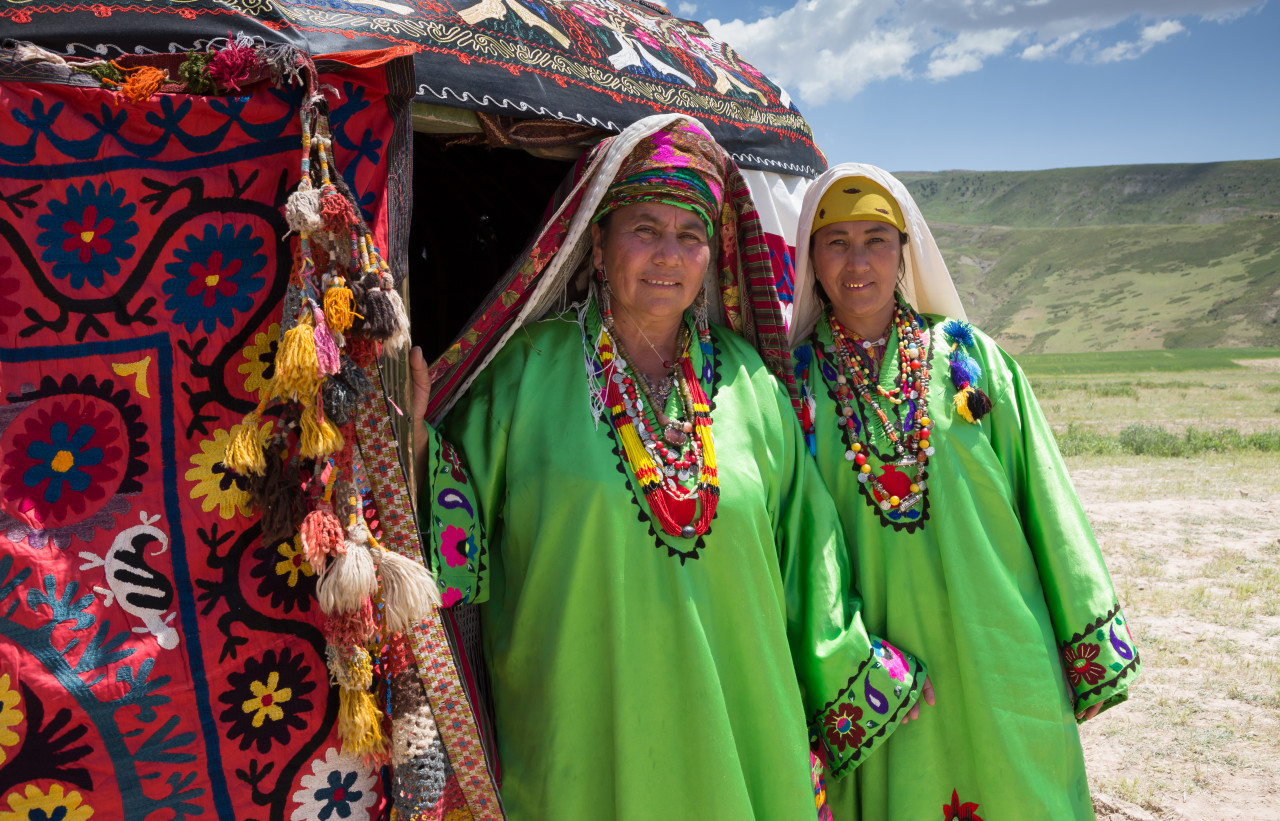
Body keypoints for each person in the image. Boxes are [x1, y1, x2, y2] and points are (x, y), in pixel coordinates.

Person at [407, 119, 930, 819]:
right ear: (598, 242)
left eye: (690, 235)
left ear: (711, 257)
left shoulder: (753, 389)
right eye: (645, 228)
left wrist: (858, 671)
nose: (669, 254)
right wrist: (408, 443)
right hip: (581, 745)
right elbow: (448, 524)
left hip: (744, 741)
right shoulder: (526, 373)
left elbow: (811, 556)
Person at [786, 163, 1140, 819]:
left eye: (876, 240)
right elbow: (800, 548)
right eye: (837, 241)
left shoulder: (973, 362)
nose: (857, 262)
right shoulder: (794, 390)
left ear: (904, 251)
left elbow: (1047, 501)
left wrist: (1085, 638)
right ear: (811, 255)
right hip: (883, 682)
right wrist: (849, 662)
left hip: (1002, 657)